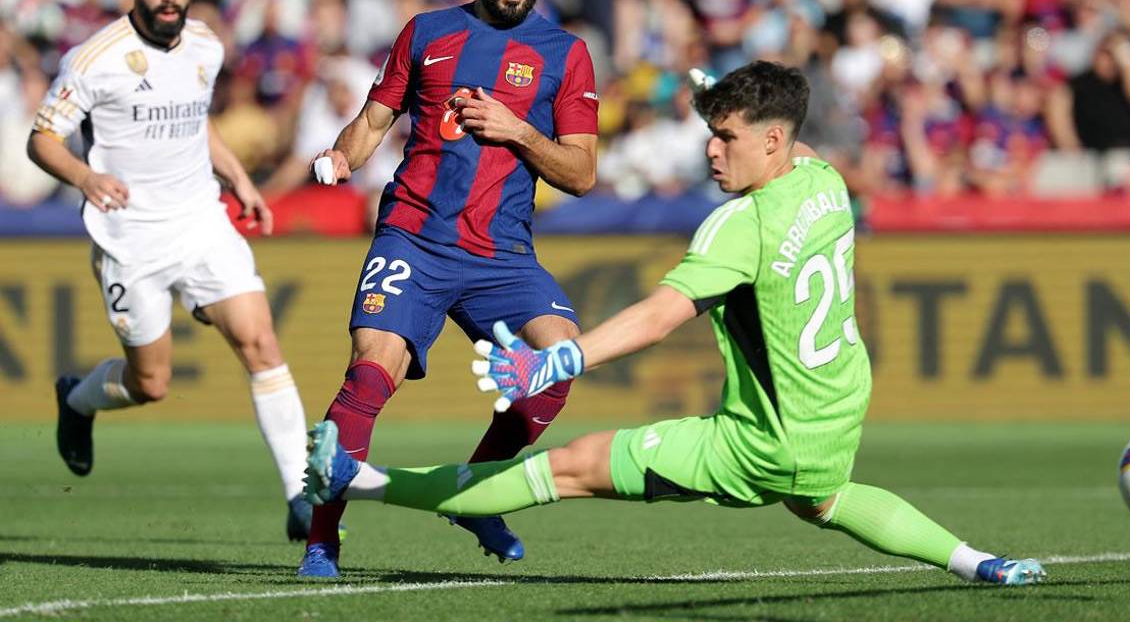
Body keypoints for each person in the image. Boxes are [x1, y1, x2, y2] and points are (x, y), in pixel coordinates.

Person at [302, 61, 1046, 587]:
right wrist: (714, 99)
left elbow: (659, 316)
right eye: (711, 131)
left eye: (726, 136)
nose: (711, 149)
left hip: (760, 443)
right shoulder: (826, 181)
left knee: (559, 471)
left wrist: (555, 364)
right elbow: (793, 136)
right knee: (829, 499)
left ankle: (358, 480)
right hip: (836, 416)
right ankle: (981, 563)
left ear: (774, 141)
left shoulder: (740, 227)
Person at [300, 0, 599, 578]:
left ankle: (476, 493)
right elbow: (372, 124)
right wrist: (346, 155)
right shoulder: (426, 34)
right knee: (373, 370)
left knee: (560, 363)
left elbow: (582, 173)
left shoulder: (567, 55)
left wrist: (518, 130)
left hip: (502, 256)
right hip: (414, 238)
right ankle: (322, 539)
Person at [28, 0, 315, 541]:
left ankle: (301, 494)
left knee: (260, 341)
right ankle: (77, 401)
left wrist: (239, 179)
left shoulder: (205, 46)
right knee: (150, 384)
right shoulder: (92, 59)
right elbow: (42, 139)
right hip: (130, 239)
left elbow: (195, 120)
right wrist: (85, 175)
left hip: (201, 222)